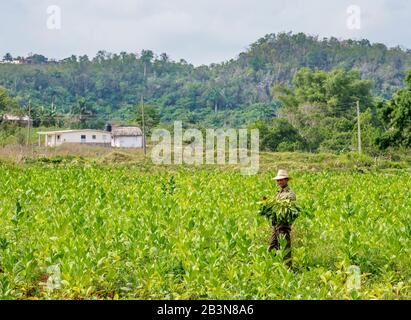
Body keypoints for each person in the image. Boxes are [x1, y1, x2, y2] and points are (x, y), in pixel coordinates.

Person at [268, 169, 296, 268]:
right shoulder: (278, 193)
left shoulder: (290, 193)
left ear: (286, 180)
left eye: (281, 180)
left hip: (284, 224)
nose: (279, 182)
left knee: (285, 247)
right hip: (276, 224)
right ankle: (274, 266)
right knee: (272, 246)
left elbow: (288, 206)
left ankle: (288, 268)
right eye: (278, 180)